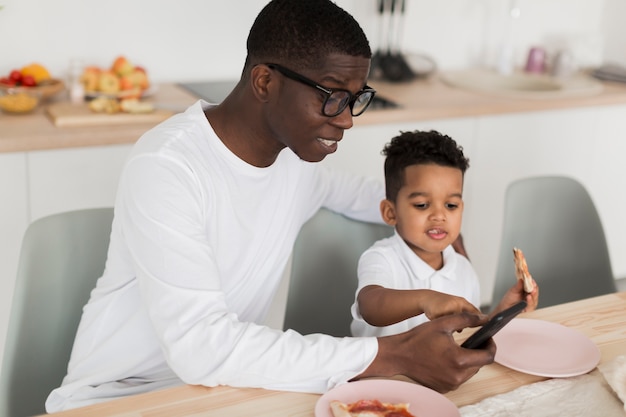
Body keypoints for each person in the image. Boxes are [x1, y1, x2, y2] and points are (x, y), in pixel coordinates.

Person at [46, 1, 495, 412]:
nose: (345, 119)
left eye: (355, 98)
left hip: (225, 389)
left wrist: (450, 238)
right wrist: (391, 353)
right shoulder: (168, 167)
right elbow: (203, 346)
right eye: (333, 94)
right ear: (265, 81)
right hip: (121, 397)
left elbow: (393, 200)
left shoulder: (296, 163)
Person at [350, 130, 539, 338]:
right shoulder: (382, 258)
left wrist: (503, 311)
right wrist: (426, 299)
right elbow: (370, 306)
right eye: (422, 205)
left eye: (451, 205)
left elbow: (468, 335)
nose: (439, 215)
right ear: (390, 212)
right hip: (384, 371)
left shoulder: (464, 270)